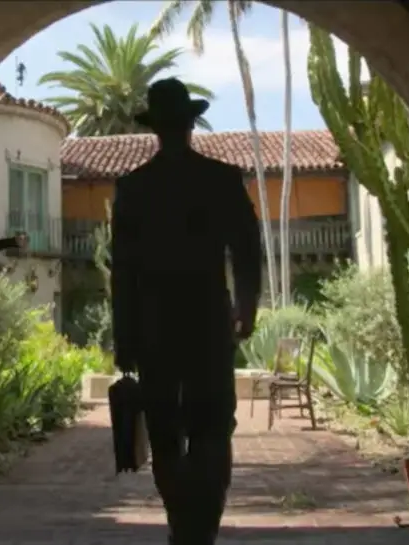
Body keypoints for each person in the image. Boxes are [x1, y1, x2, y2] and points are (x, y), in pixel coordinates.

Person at [110, 78, 263, 545]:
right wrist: (246, 306)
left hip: (155, 329)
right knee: (214, 424)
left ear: (156, 128)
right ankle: (202, 530)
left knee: (165, 432)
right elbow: (247, 249)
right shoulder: (219, 179)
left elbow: (123, 272)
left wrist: (125, 339)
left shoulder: (134, 188)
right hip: (208, 324)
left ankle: (182, 525)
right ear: (190, 124)